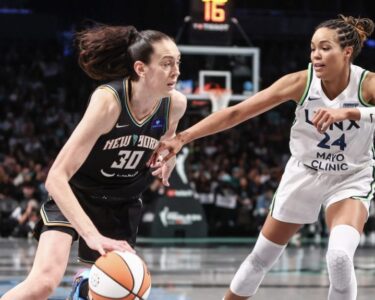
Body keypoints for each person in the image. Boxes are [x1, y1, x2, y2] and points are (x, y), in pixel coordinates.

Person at [150, 15, 375, 300]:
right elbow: (237, 112)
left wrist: (350, 112)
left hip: (350, 177)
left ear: (347, 52)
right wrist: (182, 137)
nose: (316, 55)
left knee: (340, 257)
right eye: (313, 47)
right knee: (261, 257)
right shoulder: (300, 82)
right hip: (304, 173)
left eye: (325, 48)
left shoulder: (367, 85)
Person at [2, 24, 186, 300]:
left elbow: (170, 140)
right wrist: (91, 235)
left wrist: (170, 158)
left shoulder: (175, 105)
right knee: (43, 284)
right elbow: (56, 177)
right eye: (167, 64)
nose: (176, 71)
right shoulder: (109, 101)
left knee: (111, 291)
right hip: (78, 194)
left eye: (178, 63)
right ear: (141, 68)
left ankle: (82, 289)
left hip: (121, 201)